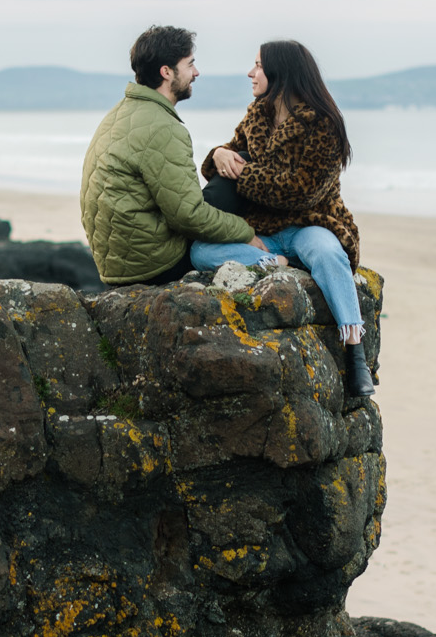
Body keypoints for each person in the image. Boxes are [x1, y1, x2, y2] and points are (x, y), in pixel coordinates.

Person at [189, 39, 376, 397]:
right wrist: (218, 154)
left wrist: (241, 174)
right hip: (264, 231)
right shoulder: (258, 114)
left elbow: (300, 191)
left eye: (258, 65)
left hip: (312, 222)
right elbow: (229, 155)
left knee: (328, 254)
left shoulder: (323, 124)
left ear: (281, 73)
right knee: (200, 251)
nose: (250, 72)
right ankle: (275, 262)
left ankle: (355, 350)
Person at [81, 25, 274, 286]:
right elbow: (189, 216)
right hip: (155, 265)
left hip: (118, 262)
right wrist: (246, 233)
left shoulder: (120, 113)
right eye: (190, 64)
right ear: (167, 72)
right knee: (242, 164)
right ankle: (273, 248)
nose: (196, 73)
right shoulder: (162, 128)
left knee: (229, 167)